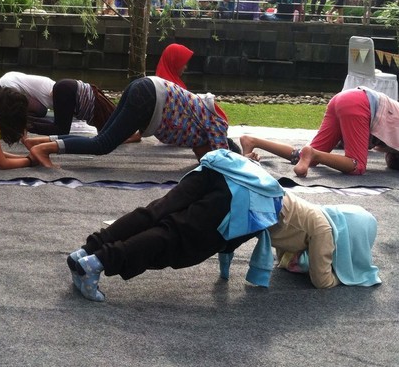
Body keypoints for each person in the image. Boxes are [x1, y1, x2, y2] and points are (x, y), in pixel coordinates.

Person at [66, 149, 380, 302]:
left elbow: (285, 259)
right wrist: (342, 277)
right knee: (177, 238)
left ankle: (86, 252)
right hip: (241, 197)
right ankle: (98, 262)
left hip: (227, 170)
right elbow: (321, 279)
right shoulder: (324, 229)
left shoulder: (312, 214)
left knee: (155, 212)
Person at [24, 76, 231, 168]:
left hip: (145, 88)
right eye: (203, 157)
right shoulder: (218, 128)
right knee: (102, 145)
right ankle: (45, 150)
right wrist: (246, 158)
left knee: (102, 137)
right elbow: (227, 163)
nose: (199, 158)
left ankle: (40, 141)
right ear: (213, 146)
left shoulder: (198, 130)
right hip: (150, 96)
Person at [239, 87, 399, 177]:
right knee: (357, 166)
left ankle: (253, 141)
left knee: (303, 157)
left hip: (344, 98)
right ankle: (314, 154)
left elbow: (391, 157)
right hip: (360, 104)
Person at [0, 71, 117, 135]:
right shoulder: (56, 90)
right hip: (9, 84)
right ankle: (22, 122)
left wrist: (28, 125)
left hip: (67, 91)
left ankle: (23, 123)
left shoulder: (62, 95)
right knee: (18, 115)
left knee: (46, 116)